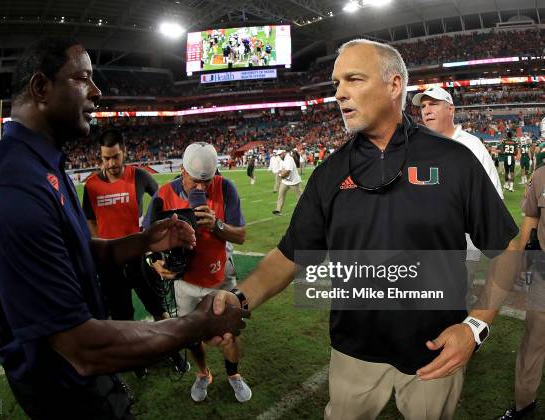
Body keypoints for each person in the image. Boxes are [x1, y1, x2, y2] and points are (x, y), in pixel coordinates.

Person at [211, 39, 518, 420]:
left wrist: (475, 327)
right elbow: (289, 256)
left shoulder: (454, 161)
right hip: (352, 354)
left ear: (394, 86)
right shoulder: (329, 174)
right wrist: (239, 300)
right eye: (336, 83)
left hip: (434, 350)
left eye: (353, 79)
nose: (339, 93)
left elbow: (509, 249)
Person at [0, 37, 248, 420]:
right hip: (65, 390)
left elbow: (79, 250)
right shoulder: (13, 188)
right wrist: (196, 323)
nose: (97, 92)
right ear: (41, 88)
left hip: (82, 379)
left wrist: (142, 241)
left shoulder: (43, 166)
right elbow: (80, 346)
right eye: (83, 78)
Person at [142, 142, 252, 403]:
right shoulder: (164, 194)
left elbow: (241, 236)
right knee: (191, 337)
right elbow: (146, 240)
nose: (201, 188)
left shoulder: (226, 187)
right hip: (185, 282)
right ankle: (202, 374)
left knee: (229, 335)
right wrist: (155, 262)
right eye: (195, 182)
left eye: (207, 181)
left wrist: (217, 225)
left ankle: (234, 375)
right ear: (182, 171)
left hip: (220, 277)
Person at [82, 128, 189, 375]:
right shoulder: (91, 186)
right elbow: (89, 222)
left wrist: (159, 233)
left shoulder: (139, 176)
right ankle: (137, 362)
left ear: (124, 153)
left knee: (158, 308)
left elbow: (162, 200)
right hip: (110, 264)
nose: (110, 163)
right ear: (100, 157)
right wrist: (101, 249)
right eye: (106, 158)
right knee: (123, 318)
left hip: (139, 258)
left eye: (115, 157)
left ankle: (173, 353)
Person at [412, 85, 504, 305]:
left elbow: (493, 199)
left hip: (464, 247)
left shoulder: (473, 146)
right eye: (423, 106)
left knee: (454, 304)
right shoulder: (415, 148)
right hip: (421, 246)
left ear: (450, 109)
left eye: (433, 104)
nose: (426, 110)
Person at [499, 164, 545, 419]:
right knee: (534, 341)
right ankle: (524, 405)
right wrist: (520, 262)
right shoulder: (541, 175)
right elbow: (531, 219)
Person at [272, 147, 301, 216]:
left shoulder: (289, 159)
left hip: (294, 182)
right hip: (285, 181)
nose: (279, 156)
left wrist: (281, 175)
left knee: (300, 197)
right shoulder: (282, 159)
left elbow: (287, 172)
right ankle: (278, 210)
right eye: (278, 155)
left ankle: (306, 209)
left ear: (284, 153)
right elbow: (280, 170)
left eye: (280, 154)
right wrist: (281, 173)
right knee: (280, 195)